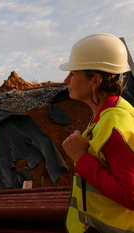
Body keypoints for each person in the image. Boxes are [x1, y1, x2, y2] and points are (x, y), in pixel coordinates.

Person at [60, 33, 134, 232]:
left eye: (73, 74)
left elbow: (131, 196)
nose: (66, 80)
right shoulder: (108, 112)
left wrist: (81, 157)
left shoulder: (114, 126)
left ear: (95, 81)